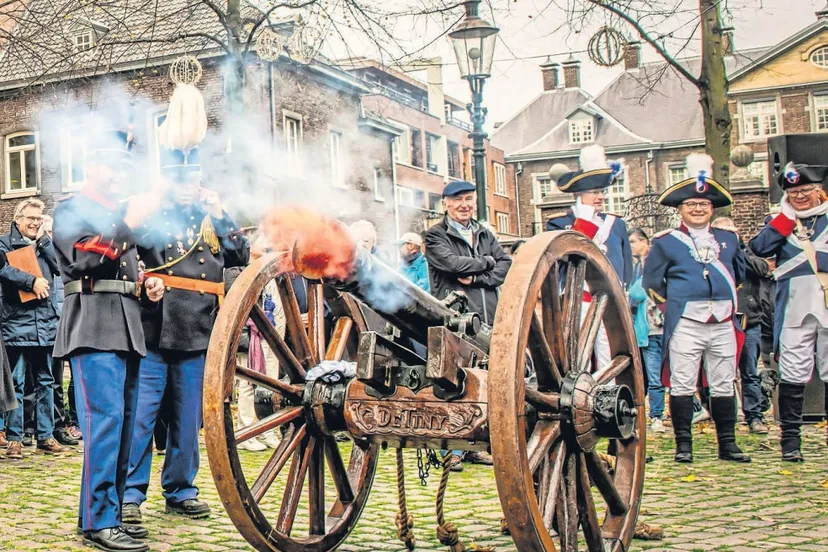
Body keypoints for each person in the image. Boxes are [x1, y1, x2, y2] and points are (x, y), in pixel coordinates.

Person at [53, 123, 166, 552]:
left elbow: (126, 272)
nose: (120, 175)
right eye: (113, 167)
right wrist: (126, 224)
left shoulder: (119, 216)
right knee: (105, 424)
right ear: (93, 166)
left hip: (127, 326)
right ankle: (98, 519)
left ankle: (111, 514)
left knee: (124, 426)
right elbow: (83, 259)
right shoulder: (71, 209)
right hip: (92, 324)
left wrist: (147, 286)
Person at [121, 146, 249, 523]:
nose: (187, 186)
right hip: (155, 327)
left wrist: (220, 211)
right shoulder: (154, 214)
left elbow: (240, 254)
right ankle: (130, 495)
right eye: (179, 180)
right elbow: (129, 242)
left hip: (197, 330)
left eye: (192, 179)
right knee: (142, 418)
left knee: (187, 420)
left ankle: (180, 490)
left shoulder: (211, 219)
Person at [642, 153, 749, 464]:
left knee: (723, 382)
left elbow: (739, 274)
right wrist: (673, 304)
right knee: (682, 383)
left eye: (703, 204)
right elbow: (652, 282)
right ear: (680, 209)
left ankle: (727, 443)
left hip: (722, 319)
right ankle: (683, 445)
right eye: (691, 204)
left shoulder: (728, 239)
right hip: (686, 321)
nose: (698, 209)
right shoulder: (665, 242)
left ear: (712, 208)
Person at [425, 180, 512, 466]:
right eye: (458, 199)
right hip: (455, 318)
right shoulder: (435, 235)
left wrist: (477, 276)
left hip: (486, 316)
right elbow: (451, 265)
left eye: (468, 199)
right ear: (446, 203)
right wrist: (487, 262)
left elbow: (505, 265)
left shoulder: (484, 233)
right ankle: (451, 449)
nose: (464, 205)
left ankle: (475, 442)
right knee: (452, 382)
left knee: (484, 380)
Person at [749, 162, 828, 462]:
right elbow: (759, 247)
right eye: (794, 192)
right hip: (794, 306)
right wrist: (786, 219)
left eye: (805, 190)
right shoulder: (781, 222)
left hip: (825, 302)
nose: (800, 196)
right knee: (793, 375)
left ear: (818, 190)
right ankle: (790, 441)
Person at [546, 144, 633, 370]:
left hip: (610, 300)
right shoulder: (558, 224)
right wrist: (584, 219)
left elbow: (626, 267)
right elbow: (567, 254)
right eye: (594, 192)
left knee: (609, 356)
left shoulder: (616, 224)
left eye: (602, 192)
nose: (601, 197)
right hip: (577, 301)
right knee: (577, 360)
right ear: (578, 194)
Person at [0, 198, 68, 459]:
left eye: (39, 219)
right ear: (17, 219)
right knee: (16, 383)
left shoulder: (45, 244)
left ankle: (46, 436)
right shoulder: (3, 243)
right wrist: (31, 282)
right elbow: (3, 270)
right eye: (31, 218)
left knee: (46, 381)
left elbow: (62, 269)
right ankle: (14, 439)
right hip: (16, 323)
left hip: (45, 324)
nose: (35, 223)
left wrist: (45, 242)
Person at [711, 216, 769, 434]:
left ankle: (755, 416)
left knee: (750, 372)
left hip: (749, 320)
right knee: (721, 373)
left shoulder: (747, 252)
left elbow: (762, 268)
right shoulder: (710, 256)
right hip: (722, 320)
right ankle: (726, 418)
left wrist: (736, 250)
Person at [628, 229, 667, 433]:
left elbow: (637, 292)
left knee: (658, 376)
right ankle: (653, 414)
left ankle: (657, 415)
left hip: (660, 326)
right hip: (648, 329)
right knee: (653, 376)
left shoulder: (655, 266)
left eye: (633, 242)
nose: (631, 246)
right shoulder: (638, 267)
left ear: (645, 242)